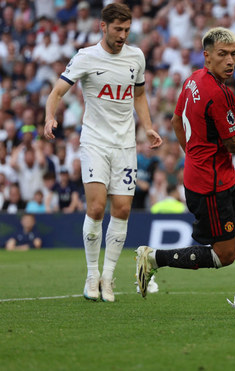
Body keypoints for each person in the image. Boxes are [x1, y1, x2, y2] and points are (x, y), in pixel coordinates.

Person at [135, 27, 235, 316]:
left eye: (233, 54)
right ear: (207, 56)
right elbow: (233, 143)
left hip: (221, 175)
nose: (230, 60)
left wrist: (193, 154)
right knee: (225, 254)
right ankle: (153, 257)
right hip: (210, 185)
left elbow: (176, 121)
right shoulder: (219, 94)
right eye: (222, 54)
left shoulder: (193, 80)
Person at [43, 3, 163, 303]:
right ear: (103, 27)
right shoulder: (85, 57)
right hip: (94, 141)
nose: (123, 35)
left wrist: (147, 126)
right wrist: (50, 116)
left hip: (125, 144)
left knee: (121, 210)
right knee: (96, 208)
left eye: (127, 30)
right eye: (118, 29)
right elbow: (57, 91)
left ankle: (108, 278)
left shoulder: (136, 57)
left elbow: (139, 94)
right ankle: (92, 275)